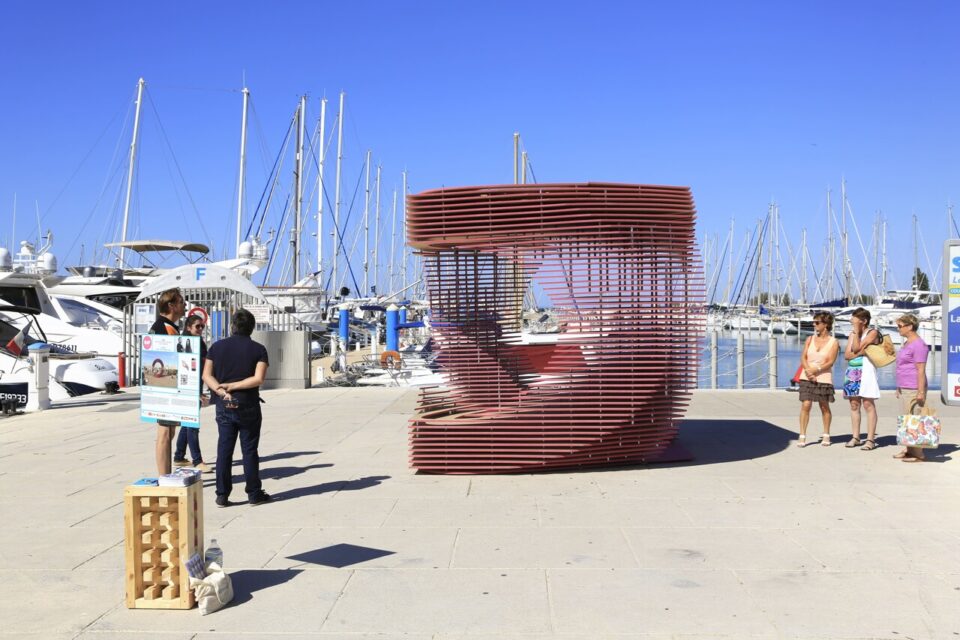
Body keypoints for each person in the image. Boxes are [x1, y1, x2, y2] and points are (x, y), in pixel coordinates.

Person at [202, 308, 272, 507]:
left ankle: (222, 494)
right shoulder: (259, 349)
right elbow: (258, 379)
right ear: (251, 328)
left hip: (223, 403)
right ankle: (254, 493)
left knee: (224, 449)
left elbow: (206, 375)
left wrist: (221, 390)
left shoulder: (216, 347)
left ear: (232, 326)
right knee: (249, 449)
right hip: (247, 403)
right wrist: (235, 386)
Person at [149, 288, 186, 475]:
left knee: (169, 433)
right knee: (164, 433)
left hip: (162, 384)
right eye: (181, 301)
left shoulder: (162, 327)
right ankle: (164, 477)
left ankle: (166, 474)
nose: (184, 305)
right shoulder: (165, 328)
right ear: (171, 305)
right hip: (165, 386)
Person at [173, 315, 210, 472]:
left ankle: (179, 456)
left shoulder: (197, 342)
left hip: (194, 386)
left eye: (202, 326)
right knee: (192, 424)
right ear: (188, 327)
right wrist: (197, 393)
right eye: (197, 326)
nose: (201, 329)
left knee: (187, 422)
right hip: (188, 387)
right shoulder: (187, 343)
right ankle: (197, 460)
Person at [796, 312, 839, 447]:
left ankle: (826, 434)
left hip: (823, 376)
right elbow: (803, 357)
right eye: (814, 322)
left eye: (817, 322)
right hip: (807, 375)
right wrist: (808, 370)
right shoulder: (810, 339)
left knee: (824, 405)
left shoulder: (834, 342)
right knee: (806, 404)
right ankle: (802, 435)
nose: (814, 324)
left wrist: (816, 370)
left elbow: (830, 362)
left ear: (825, 325)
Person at [842, 307, 882, 450]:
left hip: (867, 370)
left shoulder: (872, 333)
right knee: (854, 404)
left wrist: (857, 333)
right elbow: (847, 355)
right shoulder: (852, 334)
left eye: (854, 319)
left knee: (867, 404)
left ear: (863, 321)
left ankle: (870, 439)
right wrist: (855, 334)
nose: (852, 321)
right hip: (853, 370)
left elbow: (858, 348)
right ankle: (856, 437)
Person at [893, 313, 929, 462]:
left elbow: (920, 369)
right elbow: (902, 366)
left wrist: (920, 392)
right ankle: (909, 449)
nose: (898, 329)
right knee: (906, 419)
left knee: (915, 419)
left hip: (915, 387)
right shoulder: (907, 343)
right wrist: (899, 386)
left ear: (910, 326)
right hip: (906, 386)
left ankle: (919, 454)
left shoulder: (919, 345)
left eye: (900, 326)